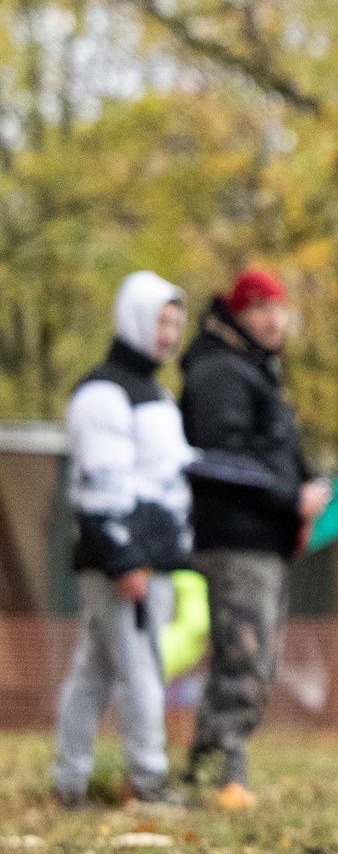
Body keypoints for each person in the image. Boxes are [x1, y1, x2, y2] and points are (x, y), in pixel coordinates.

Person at [178, 268, 328, 807]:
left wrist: (309, 486)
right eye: (260, 308)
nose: (273, 319)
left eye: (278, 308)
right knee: (245, 656)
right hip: (234, 539)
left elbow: (273, 453)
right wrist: (290, 497)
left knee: (251, 658)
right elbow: (220, 458)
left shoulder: (256, 372)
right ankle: (226, 771)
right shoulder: (221, 372)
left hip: (263, 539)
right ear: (237, 314)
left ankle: (206, 763)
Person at [53, 272, 193, 807]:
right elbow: (100, 485)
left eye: (175, 323)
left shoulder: (157, 395)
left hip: (151, 558)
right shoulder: (102, 395)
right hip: (123, 563)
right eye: (160, 321)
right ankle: (148, 780)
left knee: (95, 669)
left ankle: (69, 779)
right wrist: (124, 559)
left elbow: (168, 476)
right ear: (134, 318)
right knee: (140, 669)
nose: (168, 334)